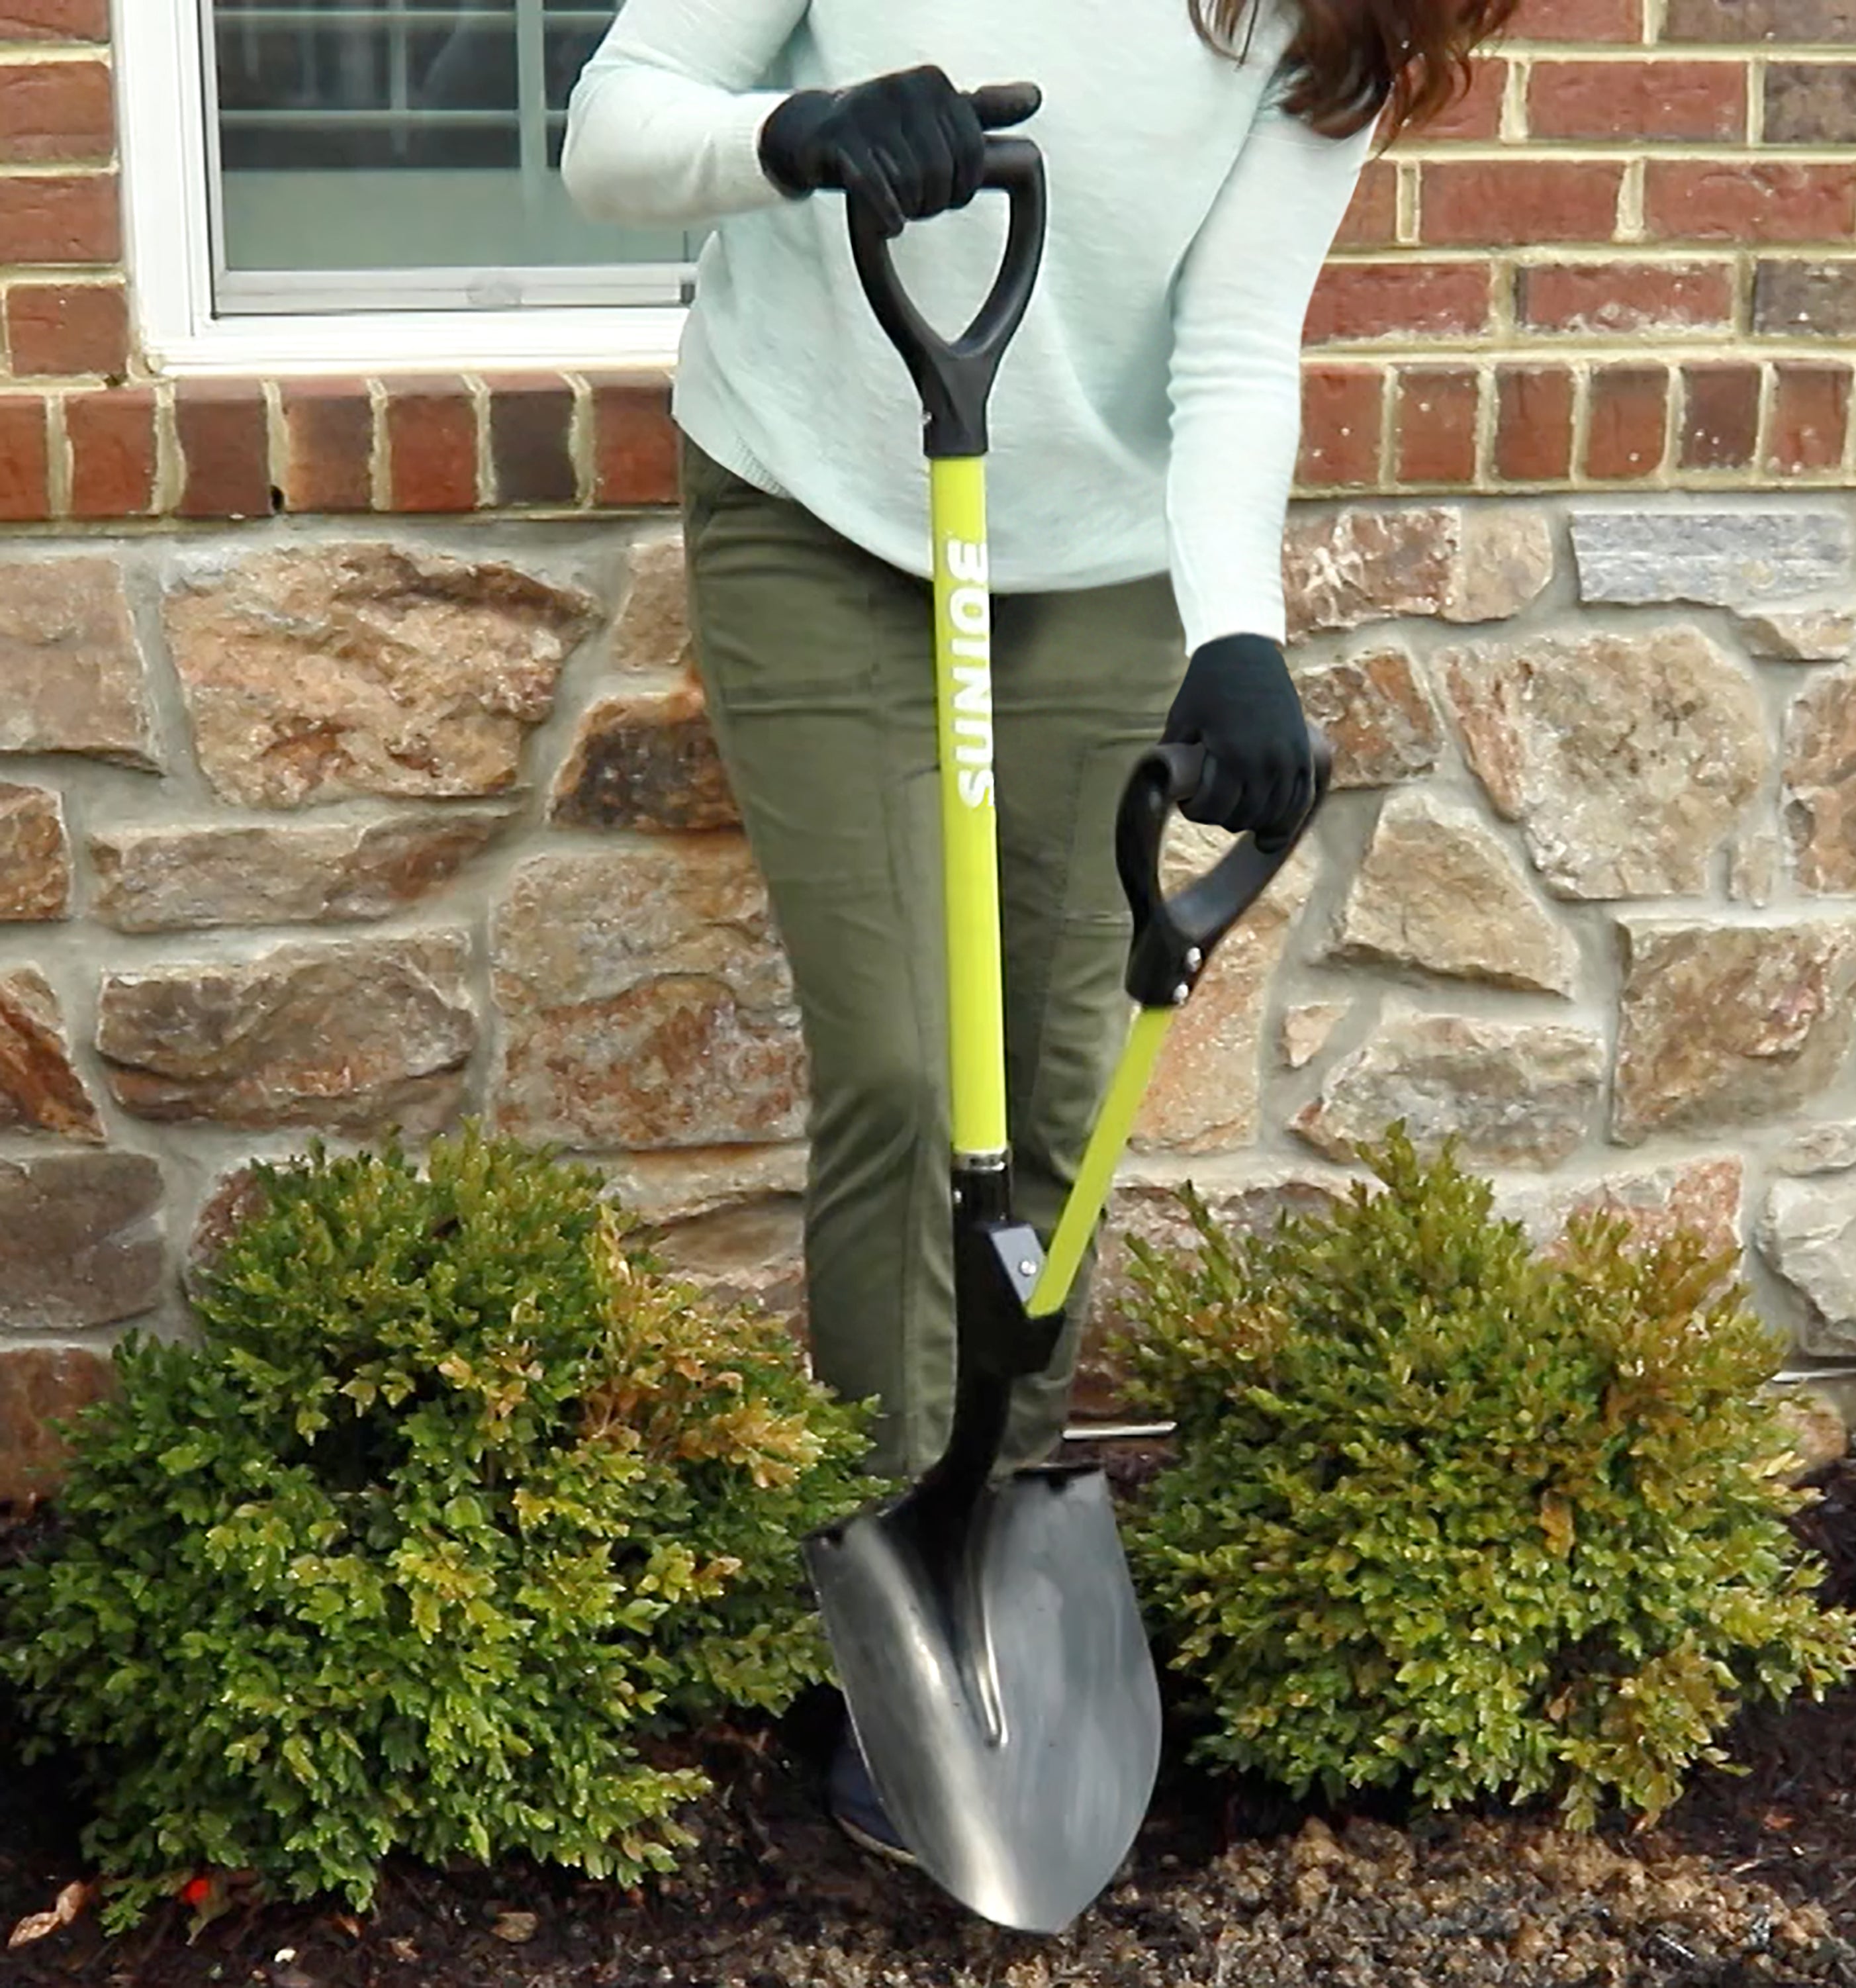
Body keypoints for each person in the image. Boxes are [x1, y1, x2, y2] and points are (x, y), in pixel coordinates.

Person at [562, 0, 1514, 1863]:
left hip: (1094, 555)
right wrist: (797, 131)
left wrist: (1235, 625)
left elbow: (1233, 353)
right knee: (916, 1072)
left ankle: (983, 1555)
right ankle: (880, 1592)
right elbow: (609, 129)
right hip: (816, 502)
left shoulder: (1338, 12)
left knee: (1061, 1086)